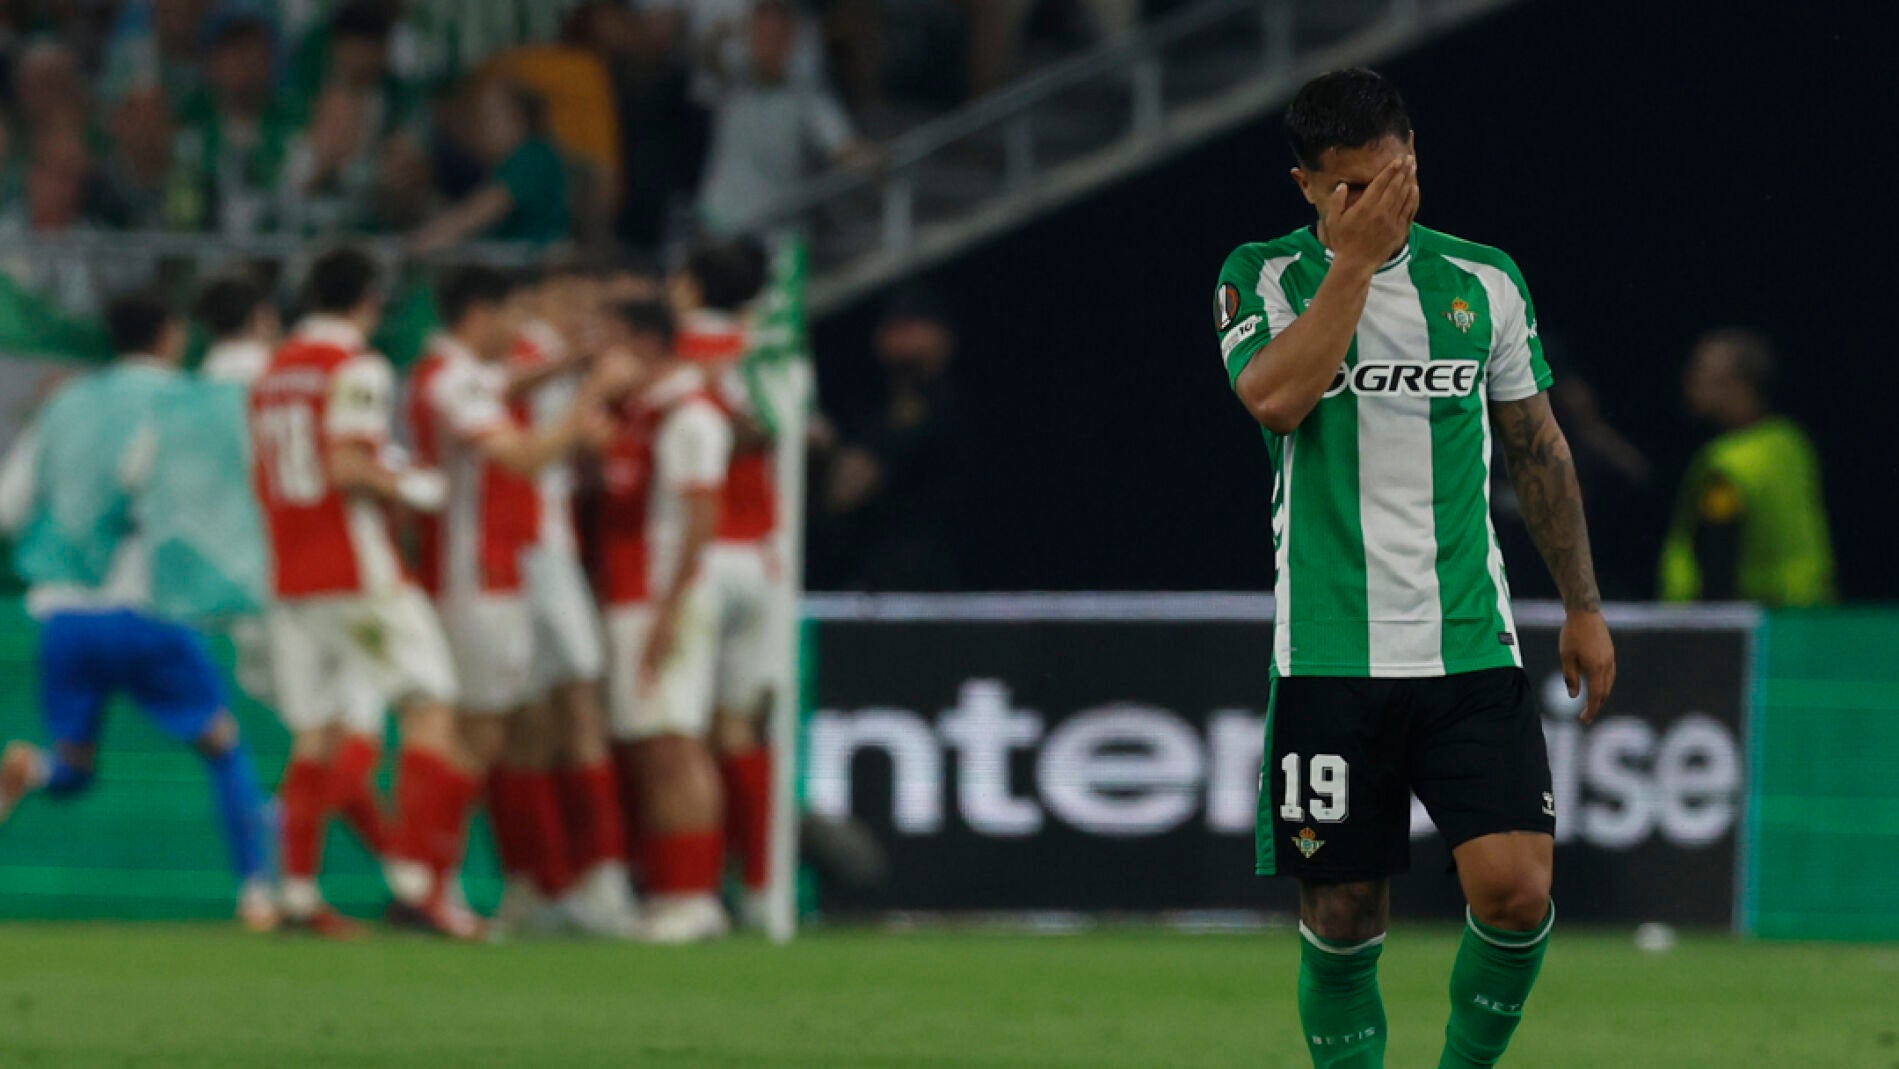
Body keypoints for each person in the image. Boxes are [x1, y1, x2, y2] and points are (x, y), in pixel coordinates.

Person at [1212, 70, 1616, 1068]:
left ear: (1416, 157)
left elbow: (1537, 447)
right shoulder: (1263, 276)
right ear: (1307, 185)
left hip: (1468, 642)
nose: (1380, 203)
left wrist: (1583, 604)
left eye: (1394, 177)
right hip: (1329, 653)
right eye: (1351, 188)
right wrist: (1352, 263)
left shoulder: (1484, 281)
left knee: (1517, 890)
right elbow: (1274, 399)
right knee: (1343, 911)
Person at [0, 292, 275, 933]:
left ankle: (27, 768)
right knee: (223, 745)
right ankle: (258, 894)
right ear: (171, 335)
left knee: (72, 769)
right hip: (149, 607)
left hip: (65, 615)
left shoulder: (65, 402)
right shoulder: (189, 402)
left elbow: (9, 507)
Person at [250, 247, 479, 939]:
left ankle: (297, 895)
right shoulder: (356, 365)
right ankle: (420, 887)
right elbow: (347, 464)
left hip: (290, 573)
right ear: (370, 300)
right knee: (428, 706)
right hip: (355, 569)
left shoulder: (271, 373)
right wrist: (411, 485)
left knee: (316, 734)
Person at [405, 265, 628, 935]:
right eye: (515, 311)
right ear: (483, 312)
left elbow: (507, 386)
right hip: (477, 575)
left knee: (500, 728)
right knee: (477, 732)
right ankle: (428, 884)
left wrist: (573, 369)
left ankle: (483, 885)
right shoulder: (450, 379)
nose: (521, 325)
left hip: (496, 571)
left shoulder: (462, 373)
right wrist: (591, 393)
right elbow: (525, 459)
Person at [502, 264, 638, 933]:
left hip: (546, 549)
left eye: (593, 301)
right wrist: (590, 384)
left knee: (552, 718)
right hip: (532, 552)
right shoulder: (530, 354)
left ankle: (560, 882)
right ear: (537, 299)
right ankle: (573, 882)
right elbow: (517, 402)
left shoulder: (557, 362)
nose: (585, 313)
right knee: (559, 716)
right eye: (572, 298)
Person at [596, 298, 733, 943]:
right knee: (652, 747)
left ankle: (695, 896)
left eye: (611, 337)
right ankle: (670, 889)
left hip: (666, 598)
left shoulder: (691, 416)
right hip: (635, 596)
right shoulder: (644, 413)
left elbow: (702, 517)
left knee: (677, 744)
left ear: (645, 343)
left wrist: (670, 610)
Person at [669, 239, 777, 924]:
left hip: (702, 554)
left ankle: (697, 889)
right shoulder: (769, 354)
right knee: (739, 729)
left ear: (689, 285)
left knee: (684, 737)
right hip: (764, 556)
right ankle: (763, 888)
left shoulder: (678, 349)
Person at [1659, 328, 1835, 606]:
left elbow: (1718, 555)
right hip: (1809, 607)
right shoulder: (1792, 441)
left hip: (1750, 614)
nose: (1689, 381)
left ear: (1739, 385)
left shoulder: (1724, 465)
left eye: (1701, 372)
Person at [814, 287, 968, 591]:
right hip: (869, 579)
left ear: (943, 337)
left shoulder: (944, 407)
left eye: (909, 325)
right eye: (892, 326)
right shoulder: (869, 400)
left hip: (930, 582)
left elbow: (844, 490)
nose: (896, 336)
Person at [695, 0, 872, 237]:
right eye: (760, 36)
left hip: (781, 232)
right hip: (723, 222)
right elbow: (705, 54)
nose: (766, 46)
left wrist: (870, 160)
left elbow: (843, 146)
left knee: (796, 253)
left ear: (790, 40)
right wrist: (727, 29)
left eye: (774, 38)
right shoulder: (731, 82)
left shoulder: (807, 98)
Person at [409, 80, 571, 253]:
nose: (483, 127)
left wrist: (421, 240)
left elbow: (478, 212)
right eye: (479, 118)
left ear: (517, 118)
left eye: (490, 117)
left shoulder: (531, 156)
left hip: (535, 262)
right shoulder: (507, 161)